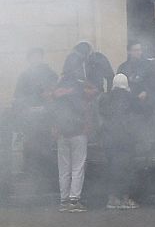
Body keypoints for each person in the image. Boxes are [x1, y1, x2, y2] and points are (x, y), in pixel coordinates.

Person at [51, 52, 100, 211]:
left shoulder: (59, 86)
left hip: (61, 131)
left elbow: (53, 106)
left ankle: (64, 201)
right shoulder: (80, 85)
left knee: (63, 168)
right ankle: (74, 201)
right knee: (78, 166)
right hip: (78, 131)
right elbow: (94, 92)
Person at [12, 48, 59, 187]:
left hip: (46, 117)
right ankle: (31, 176)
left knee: (46, 145)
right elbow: (18, 96)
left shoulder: (50, 74)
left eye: (38, 56)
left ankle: (48, 177)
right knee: (31, 147)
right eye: (33, 56)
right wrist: (27, 107)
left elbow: (54, 92)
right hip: (29, 118)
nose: (36, 59)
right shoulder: (24, 76)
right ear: (29, 59)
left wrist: (47, 105)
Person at [98, 74, 146, 209]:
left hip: (109, 139)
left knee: (112, 167)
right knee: (127, 168)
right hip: (126, 139)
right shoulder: (131, 98)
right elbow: (142, 111)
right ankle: (126, 198)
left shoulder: (106, 98)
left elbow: (102, 113)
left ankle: (112, 198)